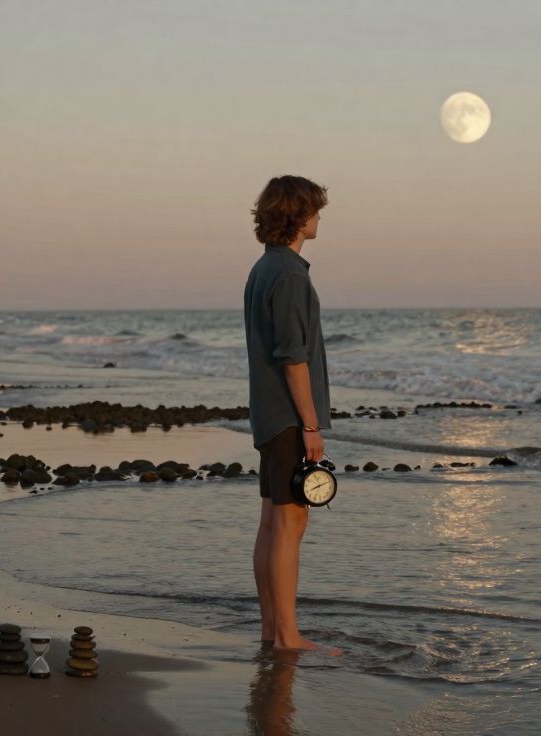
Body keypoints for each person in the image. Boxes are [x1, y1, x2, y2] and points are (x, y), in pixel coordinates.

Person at [242, 175, 339, 653]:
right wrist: (311, 425)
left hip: (269, 414)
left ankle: (272, 629)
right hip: (287, 418)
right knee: (289, 523)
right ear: (297, 215)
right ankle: (287, 635)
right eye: (315, 209)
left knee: (272, 522)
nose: (320, 217)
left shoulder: (265, 269)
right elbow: (292, 357)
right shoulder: (290, 275)